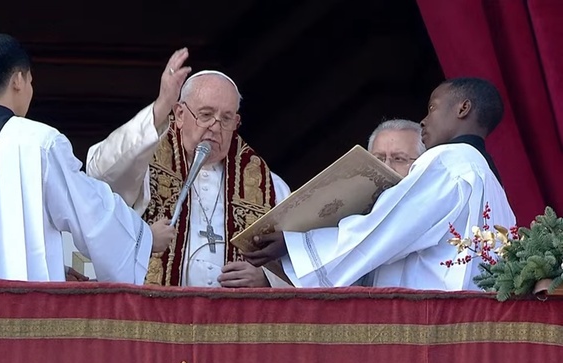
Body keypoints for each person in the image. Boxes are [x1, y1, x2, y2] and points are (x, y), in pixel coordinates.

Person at [0, 33, 175, 282]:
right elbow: (90, 212)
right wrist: (145, 237)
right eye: (30, 80)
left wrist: (54, 268)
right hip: (19, 314)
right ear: (18, 80)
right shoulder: (39, 143)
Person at [243, 77, 515, 291]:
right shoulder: (491, 181)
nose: (424, 119)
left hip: (430, 324)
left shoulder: (447, 162)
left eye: (432, 108)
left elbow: (386, 229)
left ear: (463, 108)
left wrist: (296, 245)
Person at [86, 48, 291, 287]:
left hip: (234, 321)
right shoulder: (144, 163)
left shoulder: (267, 185)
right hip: (157, 317)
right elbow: (99, 173)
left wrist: (267, 280)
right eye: (206, 114)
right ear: (180, 114)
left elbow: (298, 260)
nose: (215, 126)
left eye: (226, 118)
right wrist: (162, 104)